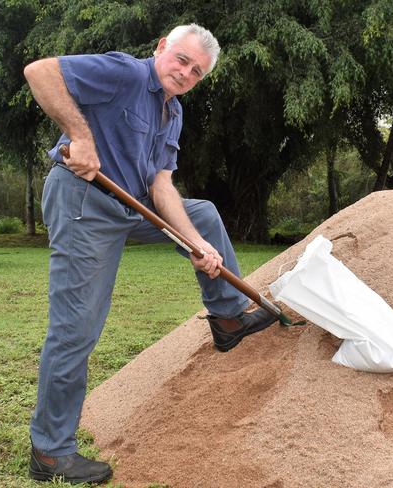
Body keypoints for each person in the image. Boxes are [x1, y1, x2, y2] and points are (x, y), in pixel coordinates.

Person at [23, 23, 278, 484]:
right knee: (77, 325)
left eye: (196, 71)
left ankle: (227, 317)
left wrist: (196, 246)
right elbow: (40, 72)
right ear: (161, 48)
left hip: (130, 206)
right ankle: (50, 450)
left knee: (201, 218)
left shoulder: (173, 114)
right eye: (181, 59)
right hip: (85, 202)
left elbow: (161, 186)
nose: (185, 72)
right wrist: (78, 137)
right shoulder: (124, 72)